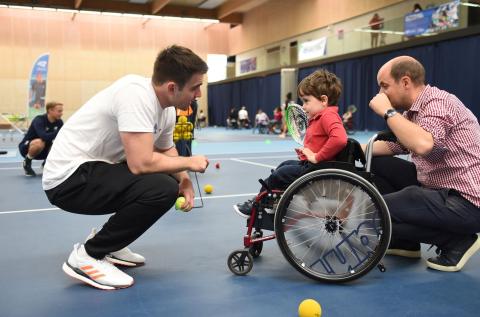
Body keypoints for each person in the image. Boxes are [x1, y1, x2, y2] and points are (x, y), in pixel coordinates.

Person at [42, 45, 209, 290]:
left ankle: (110, 243)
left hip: (94, 171)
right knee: (161, 188)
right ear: (172, 87)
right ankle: (88, 256)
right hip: (67, 179)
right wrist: (189, 162)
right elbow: (141, 163)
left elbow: (164, 150)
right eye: (195, 87)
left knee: (169, 183)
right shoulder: (136, 95)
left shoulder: (167, 110)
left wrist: (184, 179)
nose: (199, 95)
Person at [367, 56, 480, 272]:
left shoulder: (439, 103)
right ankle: (405, 242)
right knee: (375, 164)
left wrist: (388, 112)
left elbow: (422, 144)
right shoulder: (413, 112)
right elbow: (397, 145)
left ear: (406, 82)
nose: (381, 94)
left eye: (384, 86)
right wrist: (347, 147)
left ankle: (456, 241)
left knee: (375, 209)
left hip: (468, 202)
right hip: (440, 190)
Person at [234, 69, 348, 217]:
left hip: (318, 169)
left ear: (324, 100)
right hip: (313, 167)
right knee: (284, 166)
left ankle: (257, 205)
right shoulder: (321, 115)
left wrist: (317, 157)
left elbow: (340, 139)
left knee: (280, 174)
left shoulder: (328, 116)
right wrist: (308, 151)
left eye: (306, 101)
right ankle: (274, 201)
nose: (304, 106)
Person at [19, 101, 64, 176]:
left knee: (61, 143)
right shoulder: (39, 120)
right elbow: (44, 136)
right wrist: (60, 132)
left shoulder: (59, 122)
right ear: (50, 110)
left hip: (44, 150)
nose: (61, 113)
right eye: (59, 111)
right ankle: (27, 162)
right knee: (40, 142)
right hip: (27, 148)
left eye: (62, 111)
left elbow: (62, 137)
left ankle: (46, 164)